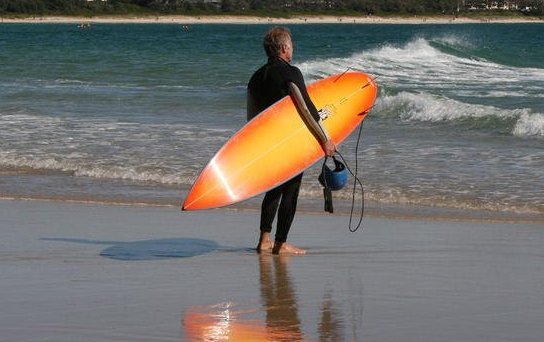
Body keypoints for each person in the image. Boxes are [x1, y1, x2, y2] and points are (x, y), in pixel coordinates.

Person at [247, 26, 336, 255]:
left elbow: (252, 117)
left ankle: (264, 240)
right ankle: (281, 243)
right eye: (291, 45)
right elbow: (305, 108)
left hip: (268, 143)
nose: (292, 49)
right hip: (291, 141)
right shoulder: (291, 72)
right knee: (291, 191)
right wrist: (325, 138)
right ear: (285, 48)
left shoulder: (256, 77)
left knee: (274, 189)